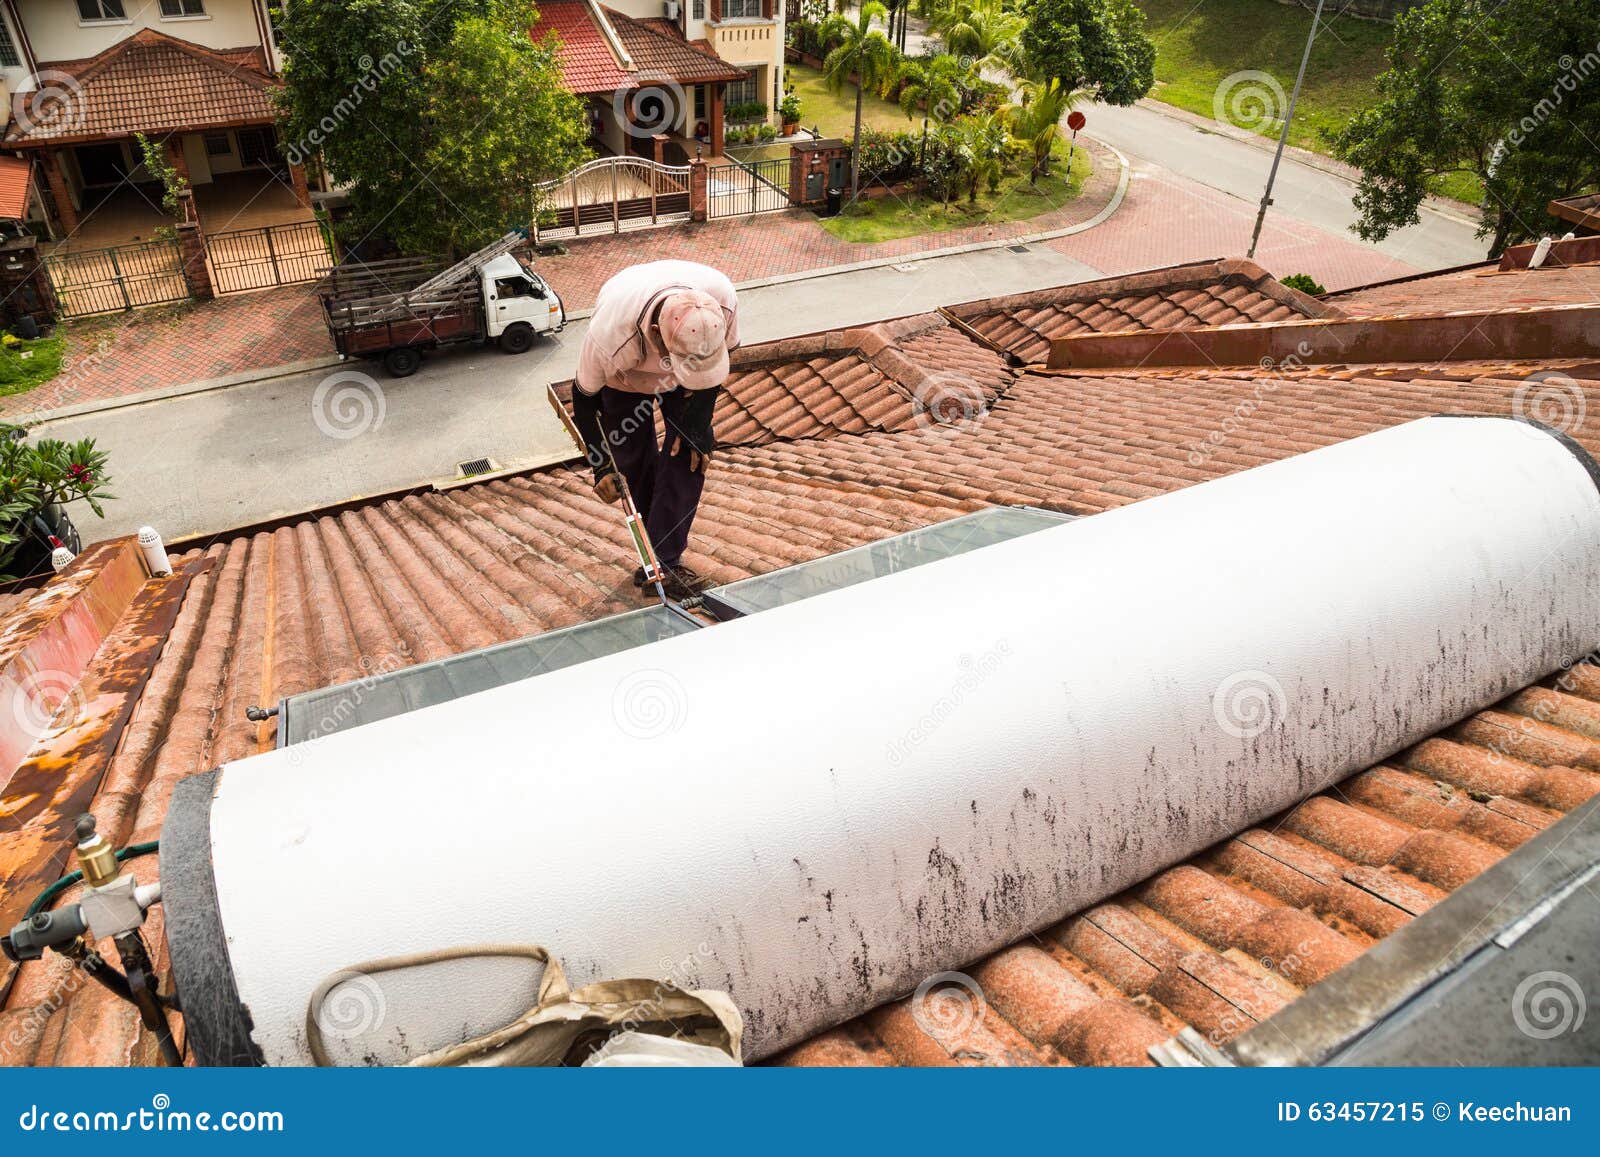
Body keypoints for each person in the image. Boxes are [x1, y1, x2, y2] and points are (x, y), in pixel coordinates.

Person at [570, 260, 738, 599]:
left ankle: (665, 561)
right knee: (632, 462)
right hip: (624, 381)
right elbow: (584, 398)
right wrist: (600, 466)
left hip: (688, 374)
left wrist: (698, 423)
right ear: (658, 335)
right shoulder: (612, 335)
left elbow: (718, 368)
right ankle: (653, 547)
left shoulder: (722, 298)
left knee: (691, 451)